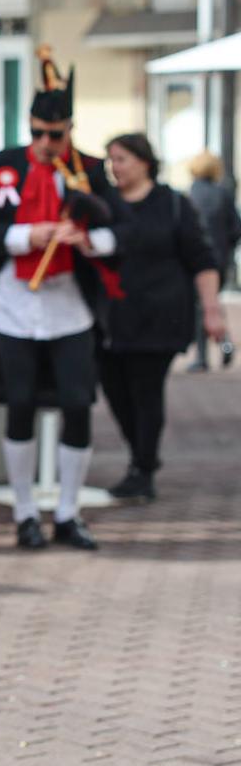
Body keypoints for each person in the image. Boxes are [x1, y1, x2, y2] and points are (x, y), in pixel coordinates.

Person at [0, 47, 124, 551]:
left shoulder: (90, 172)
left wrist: (89, 241)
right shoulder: (3, 164)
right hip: (14, 305)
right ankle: (24, 513)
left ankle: (69, 512)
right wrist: (25, 235)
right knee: (20, 406)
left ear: (69, 132)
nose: (43, 143)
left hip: (70, 307)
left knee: (77, 405)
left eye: (53, 135)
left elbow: (119, 230)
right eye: (36, 132)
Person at [97, 134, 224, 501]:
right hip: (112, 318)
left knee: (145, 390)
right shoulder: (104, 204)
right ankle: (141, 459)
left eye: (120, 159)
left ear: (144, 162)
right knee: (116, 391)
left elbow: (202, 260)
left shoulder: (172, 204)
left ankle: (143, 467)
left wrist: (212, 311)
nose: (114, 167)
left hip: (161, 317)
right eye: (110, 160)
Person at [185, 150, 239, 371]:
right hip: (219, 260)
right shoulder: (223, 194)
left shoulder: (189, 195)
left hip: (196, 260)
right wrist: (225, 248)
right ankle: (224, 343)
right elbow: (236, 229)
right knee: (210, 304)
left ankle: (202, 357)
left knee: (201, 308)